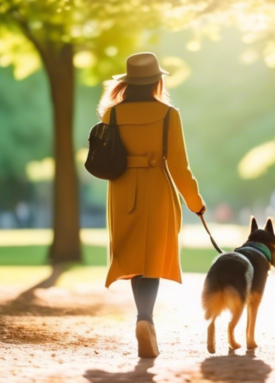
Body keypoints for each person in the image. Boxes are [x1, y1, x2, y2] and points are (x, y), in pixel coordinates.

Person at [97, 52, 205, 358]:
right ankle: (146, 318)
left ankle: (143, 318)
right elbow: (180, 168)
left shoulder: (112, 115)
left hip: (122, 191)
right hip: (157, 190)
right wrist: (195, 202)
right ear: (158, 80)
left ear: (128, 83)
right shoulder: (169, 115)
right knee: (152, 257)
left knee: (133, 257)